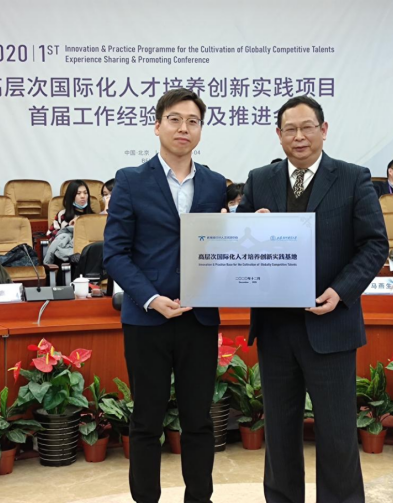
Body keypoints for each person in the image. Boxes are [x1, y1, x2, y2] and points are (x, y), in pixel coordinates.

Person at [237, 95, 388, 502]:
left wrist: (340, 291)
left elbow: (375, 244)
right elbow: (238, 238)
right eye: (290, 129)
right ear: (278, 134)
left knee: (337, 433)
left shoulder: (353, 178)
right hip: (275, 328)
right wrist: (249, 225)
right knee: (280, 432)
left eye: (307, 127)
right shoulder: (259, 180)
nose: (299, 136)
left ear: (323, 130)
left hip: (331, 323)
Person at [103, 88, 227, 503]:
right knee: (146, 422)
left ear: (200, 130)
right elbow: (115, 253)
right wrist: (151, 298)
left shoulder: (214, 183)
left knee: (199, 422)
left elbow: (219, 244)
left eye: (193, 121)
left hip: (198, 318)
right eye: (175, 119)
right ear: (157, 126)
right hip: (147, 319)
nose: (183, 128)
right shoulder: (131, 180)